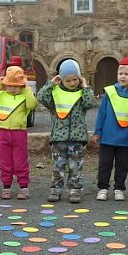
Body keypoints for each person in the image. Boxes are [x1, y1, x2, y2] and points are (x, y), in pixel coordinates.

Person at [36, 59, 96, 203]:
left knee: (76, 166)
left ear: (79, 78)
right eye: (68, 80)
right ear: (62, 79)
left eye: (75, 79)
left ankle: (75, 190)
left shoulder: (82, 94)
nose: (72, 83)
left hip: (77, 138)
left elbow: (90, 103)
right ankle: (55, 189)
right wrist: (51, 83)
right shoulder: (55, 94)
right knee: (58, 166)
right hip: (58, 138)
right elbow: (41, 97)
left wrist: (85, 87)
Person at [93, 56, 128, 201]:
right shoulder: (109, 92)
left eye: (127, 74)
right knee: (104, 164)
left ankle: (119, 188)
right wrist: (97, 131)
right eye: (120, 73)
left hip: (126, 138)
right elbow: (102, 113)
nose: (122, 76)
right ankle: (102, 188)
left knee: (123, 165)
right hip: (107, 137)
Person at [0, 66, 37, 199]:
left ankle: (23, 187)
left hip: (19, 133)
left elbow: (32, 105)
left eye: (16, 85)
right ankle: (6, 186)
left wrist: (27, 88)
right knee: (5, 162)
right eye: (9, 84)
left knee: (20, 161)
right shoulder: (2, 94)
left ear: (22, 85)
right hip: (3, 133)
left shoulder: (24, 95)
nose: (12, 88)